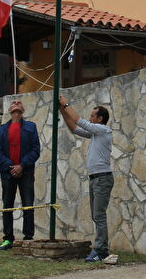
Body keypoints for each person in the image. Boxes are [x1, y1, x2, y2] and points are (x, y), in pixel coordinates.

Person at [58, 95, 113, 263]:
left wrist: (65, 104)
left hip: (102, 178)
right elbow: (75, 128)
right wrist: (62, 112)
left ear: (100, 119)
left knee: (99, 215)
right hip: (95, 178)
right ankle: (100, 249)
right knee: (96, 216)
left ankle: (101, 250)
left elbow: (79, 121)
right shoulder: (95, 134)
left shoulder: (103, 130)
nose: (90, 118)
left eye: (92, 116)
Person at [0, 99, 40, 250]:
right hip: (8, 174)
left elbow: (35, 150)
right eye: (14, 103)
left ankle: (28, 238)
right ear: (9, 110)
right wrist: (11, 167)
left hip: (26, 172)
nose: (17, 103)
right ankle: (8, 239)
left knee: (28, 205)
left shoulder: (31, 127)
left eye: (19, 102)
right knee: (7, 206)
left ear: (23, 109)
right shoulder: (2, 130)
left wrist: (22, 166)